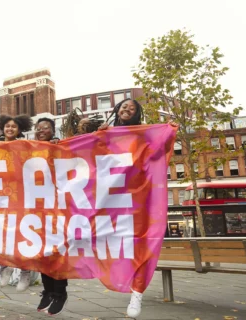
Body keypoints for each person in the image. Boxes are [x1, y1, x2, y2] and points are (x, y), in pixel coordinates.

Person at [98, 98, 179, 318]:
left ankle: (137, 293)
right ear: (117, 110)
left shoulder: (143, 134)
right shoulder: (106, 133)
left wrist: (168, 132)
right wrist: (98, 137)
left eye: (131, 108)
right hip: (112, 197)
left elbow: (158, 152)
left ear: (137, 114)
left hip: (139, 196)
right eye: (124, 106)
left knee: (142, 243)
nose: (126, 109)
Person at [0, 114, 34, 292]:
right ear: (2, 127)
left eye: (13, 127)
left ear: (19, 130)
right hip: (0, 195)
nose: (10, 129)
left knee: (22, 234)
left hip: (21, 195)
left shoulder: (26, 145)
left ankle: (25, 270)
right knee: (2, 233)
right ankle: (5, 267)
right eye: (7, 126)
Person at [32, 117, 69, 315]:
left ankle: (60, 293)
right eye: (38, 128)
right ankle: (47, 290)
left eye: (46, 128)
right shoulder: (30, 148)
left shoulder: (61, 147)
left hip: (59, 208)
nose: (42, 130)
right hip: (38, 208)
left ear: (53, 130)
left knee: (57, 252)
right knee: (42, 253)